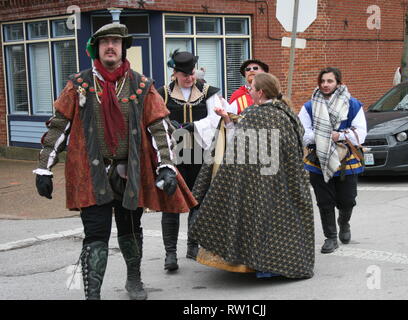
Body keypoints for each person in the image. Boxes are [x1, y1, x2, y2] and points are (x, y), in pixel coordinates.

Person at [33, 23, 197, 300]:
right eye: (105, 41)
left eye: (116, 42)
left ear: (123, 48)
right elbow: (58, 127)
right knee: (95, 235)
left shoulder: (141, 84)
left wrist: (167, 165)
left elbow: (159, 127)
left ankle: (134, 279)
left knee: (131, 230)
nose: (111, 46)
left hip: (129, 173)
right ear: (96, 47)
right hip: (89, 173)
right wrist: (43, 167)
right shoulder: (79, 84)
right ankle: (93, 293)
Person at [189, 73, 315, 279]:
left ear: (261, 92)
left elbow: (242, 146)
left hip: (261, 181)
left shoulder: (260, 114)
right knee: (279, 220)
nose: (249, 90)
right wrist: (228, 120)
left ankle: (263, 263)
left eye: (252, 88)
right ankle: (275, 263)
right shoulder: (284, 112)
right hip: (285, 181)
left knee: (263, 219)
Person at [157, 50, 222, 272]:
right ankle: (170, 254)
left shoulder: (208, 92)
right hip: (173, 155)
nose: (189, 78)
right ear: (174, 73)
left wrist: (195, 126)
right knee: (171, 202)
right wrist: (170, 125)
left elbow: (216, 118)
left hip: (199, 154)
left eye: (191, 73)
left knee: (197, 201)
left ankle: (192, 245)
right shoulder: (162, 94)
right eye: (184, 74)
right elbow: (155, 119)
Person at [298, 67, 367, 254]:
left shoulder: (353, 105)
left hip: (346, 160)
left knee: (348, 200)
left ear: (339, 83)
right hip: (318, 160)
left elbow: (361, 133)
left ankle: (344, 223)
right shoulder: (309, 107)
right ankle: (331, 237)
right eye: (323, 81)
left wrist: (340, 136)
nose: (326, 85)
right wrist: (325, 136)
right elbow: (303, 133)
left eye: (330, 81)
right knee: (324, 201)